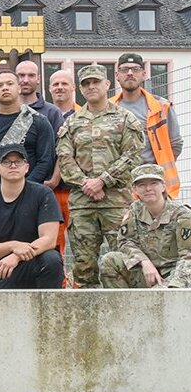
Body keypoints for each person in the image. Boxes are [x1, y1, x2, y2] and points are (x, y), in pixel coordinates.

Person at [56, 65, 146, 288]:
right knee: (83, 267)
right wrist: (86, 183)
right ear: (80, 89)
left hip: (117, 203)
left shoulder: (125, 119)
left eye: (96, 82)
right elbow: (64, 158)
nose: (91, 87)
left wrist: (103, 180)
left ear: (107, 84)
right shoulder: (72, 122)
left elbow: (133, 155)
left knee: (124, 262)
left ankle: (125, 305)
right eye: (86, 83)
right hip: (83, 204)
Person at [0, 143, 64, 289]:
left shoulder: (44, 194)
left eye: (18, 162)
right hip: (0, 269)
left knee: (51, 259)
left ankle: (48, 303)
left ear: (27, 167)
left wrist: (17, 256)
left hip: (34, 263)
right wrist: (13, 246)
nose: (13, 166)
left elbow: (49, 240)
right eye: (6, 162)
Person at [99, 164, 191, 289]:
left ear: (163, 186)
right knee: (109, 260)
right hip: (145, 272)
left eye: (154, 183)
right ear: (135, 190)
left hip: (175, 274)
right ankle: (125, 302)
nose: (148, 188)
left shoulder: (182, 214)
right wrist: (144, 262)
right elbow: (125, 241)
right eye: (141, 185)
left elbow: (188, 258)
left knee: (160, 294)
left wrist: (169, 288)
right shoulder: (135, 210)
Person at [0, 71, 56, 191]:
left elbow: (46, 161)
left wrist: (25, 189)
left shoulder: (39, 122)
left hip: (31, 193)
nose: (5, 88)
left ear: (19, 88)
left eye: (10, 84)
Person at [111, 52, 182, 198]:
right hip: (120, 185)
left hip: (155, 184)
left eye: (135, 69)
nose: (130, 73)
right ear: (117, 75)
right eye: (125, 69)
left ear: (144, 74)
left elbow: (175, 144)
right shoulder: (108, 108)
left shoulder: (161, 106)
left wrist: (157, 168)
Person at [46, 68, 78, 255]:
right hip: (51, 190)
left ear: (73, 87)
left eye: (64, 83)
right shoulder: (43, 116)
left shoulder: (83, 116)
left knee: (82, 241)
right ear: (49, 88)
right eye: (55, 84)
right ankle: (59, 273)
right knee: (54, 242)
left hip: (76, 190)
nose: (60, 87)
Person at [15, 60, 65, 135]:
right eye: (21, 75)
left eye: (31, 75)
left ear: (38, 79)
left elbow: (58, 141)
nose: (25, 80)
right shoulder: (3, 110)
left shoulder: (52, 112)